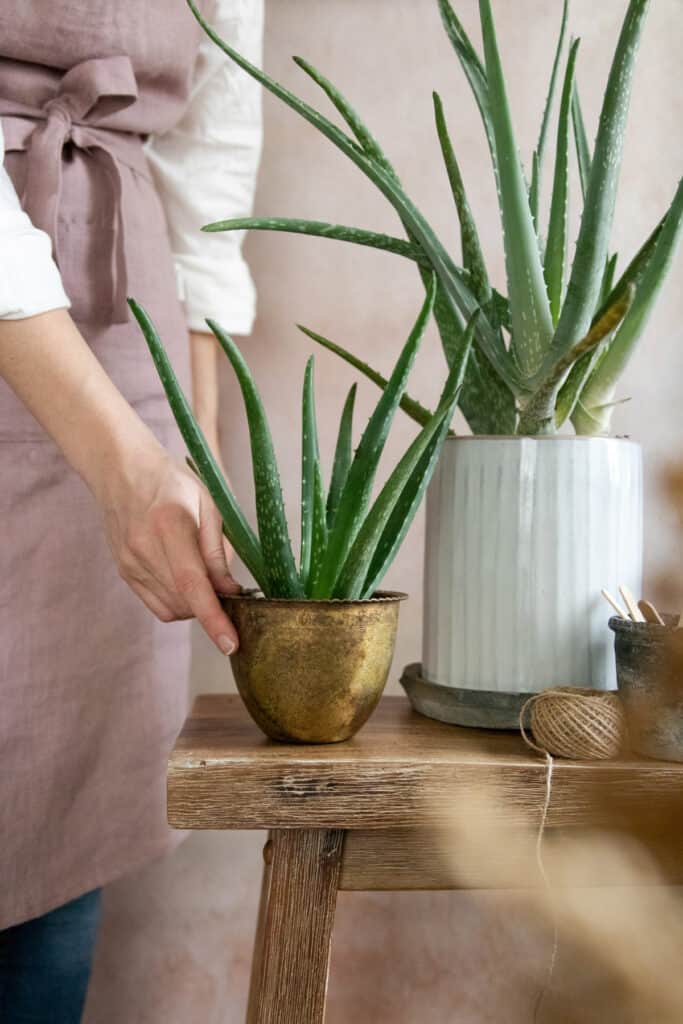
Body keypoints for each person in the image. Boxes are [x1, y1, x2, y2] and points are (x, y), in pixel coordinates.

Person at [0, 1, 264, 1019]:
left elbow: (214, 141)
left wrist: (186, 453)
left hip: (120, 313)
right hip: (78, 373)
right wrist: (124, 462)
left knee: (59, 818)